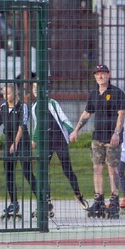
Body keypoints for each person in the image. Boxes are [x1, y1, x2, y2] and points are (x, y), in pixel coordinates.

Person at [69, 64, 125, 218]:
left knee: (112, 169)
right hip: (97, 137)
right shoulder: (94, 93)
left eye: (103, 73)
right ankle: (99, 200)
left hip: (111, 137)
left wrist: (116, 133)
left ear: (109, 75)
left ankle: (114, 201)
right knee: (97, 168)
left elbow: (121, 115)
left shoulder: (116, 92)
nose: (100, 76)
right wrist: (76, 130)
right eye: (97, 74)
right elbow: (87, 113)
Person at [0, 83, 39, 220]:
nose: (6, 96)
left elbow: (22, 127)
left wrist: (15, 144)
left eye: (8, 93)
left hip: (22, 141)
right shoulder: (3, 107)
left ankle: (42, 200)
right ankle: (14, 203)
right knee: (9, 173)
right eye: (4, 94)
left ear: (15, 93)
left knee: (27, 172)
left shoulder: (23, 107)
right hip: (9, 140)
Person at [29, 82, 87, 210]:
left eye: (38, 89)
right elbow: (37, 125)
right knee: (42, 170)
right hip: (46, 143)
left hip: (59, 140)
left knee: (67, 169)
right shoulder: (34, 107)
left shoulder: (52, 103)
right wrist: (34, 140)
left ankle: (78, 194)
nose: (36, 92)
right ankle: (46, 201)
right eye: (34, 90)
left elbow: (63, 118)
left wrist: (71, 131)